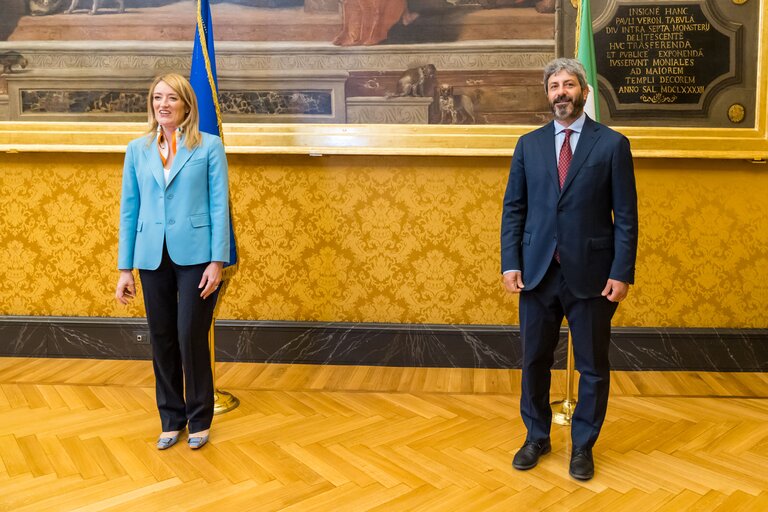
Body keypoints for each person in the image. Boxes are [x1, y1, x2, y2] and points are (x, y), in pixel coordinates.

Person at [500, 58, 638, 481]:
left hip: (593, 275)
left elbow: (626, 216)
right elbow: (514, 208)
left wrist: (622, 271)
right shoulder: (529, 144)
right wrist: (511, 263)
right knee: (534, 361)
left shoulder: (612, 144)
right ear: (548, 93)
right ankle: (536, 437)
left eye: (569, 84)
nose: (561, 92)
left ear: (584, 92)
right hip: (538, 273)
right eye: (554, 86)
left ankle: (582, 445)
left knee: (593, 365)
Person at [115, 73, 230, 451]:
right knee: (161, 337)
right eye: (157, 98)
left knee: (189, 335)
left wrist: (217, 260)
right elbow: (129, 209)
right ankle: (170, 419)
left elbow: (219, 206)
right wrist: (124, 268)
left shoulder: (209, 147)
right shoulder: (137, 149)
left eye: (171, 98)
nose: (163, 104)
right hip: (151, 255)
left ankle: (199, 418)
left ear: (186, 105)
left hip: (197, 255)